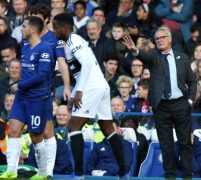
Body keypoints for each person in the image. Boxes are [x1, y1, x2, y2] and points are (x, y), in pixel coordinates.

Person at [52, 13, 127, 178]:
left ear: (64, 28)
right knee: (107, 128)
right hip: (99, 86)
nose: (54, 30)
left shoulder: (74, 40)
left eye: (55, 27)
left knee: (73, 127)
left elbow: (86, 64)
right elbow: (80, 72)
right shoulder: (73, 41)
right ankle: (123, 171)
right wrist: (73, 94)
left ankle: (78, 174)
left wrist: (79, 92)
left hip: (91, 87)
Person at [123, 28, 196, 178]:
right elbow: (143, 56)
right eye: (156, 39)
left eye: (162, 37)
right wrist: (135, 50)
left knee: (185, 143)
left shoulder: (182, 58)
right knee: (166, 144)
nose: (159, 40)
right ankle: (170, 176)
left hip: (181, 104)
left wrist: (189, 100)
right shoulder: (154, 56)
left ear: (170, 39)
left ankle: (187, 176)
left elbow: (192, 81)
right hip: (161, 106)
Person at [0, 16, 53, 179]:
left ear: (33, 30)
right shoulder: (24, 46)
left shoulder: (45, 48)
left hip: (37, 98)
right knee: (14, 130)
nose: (21, 29)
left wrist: (20, 85)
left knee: (36, 136)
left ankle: (43, 172)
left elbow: (43, 75)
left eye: (24, 26)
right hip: (22, 98)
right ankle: (11, 170)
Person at [29, 4, 71, 177]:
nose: (33, 21)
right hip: (28, 89)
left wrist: (67, 86)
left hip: (45, 87)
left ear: (46, 19)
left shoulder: (54, 39)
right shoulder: (28, 36)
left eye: (37, 17)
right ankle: (39, 169)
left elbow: (62, 63)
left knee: (46, 130)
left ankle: (48, 171)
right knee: (32, 131)